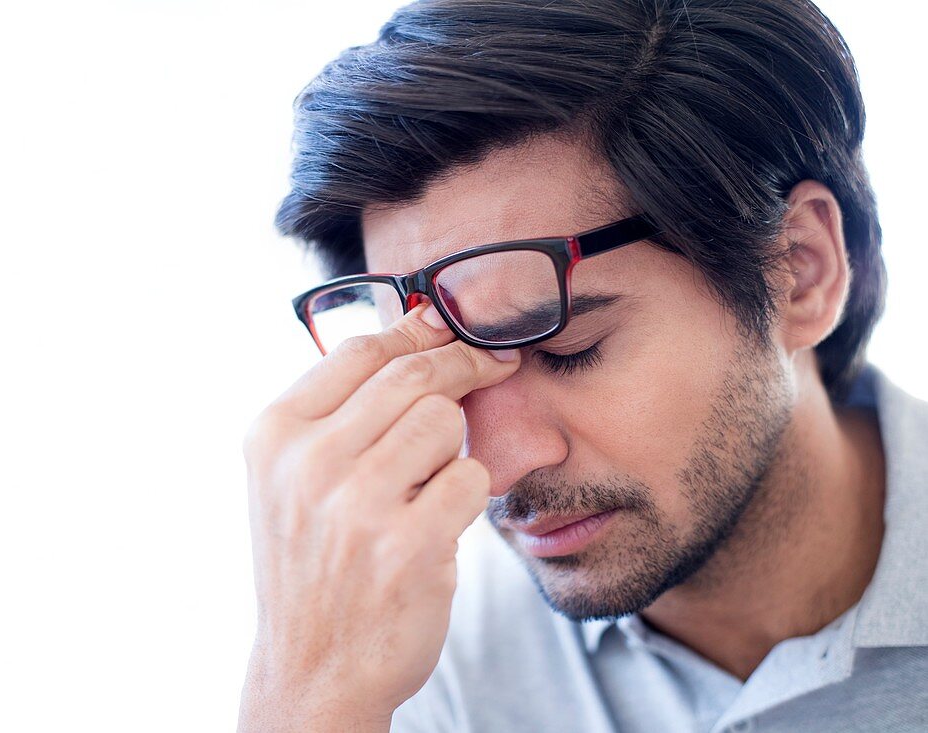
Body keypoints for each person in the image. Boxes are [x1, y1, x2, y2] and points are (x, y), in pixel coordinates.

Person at [239, 1, 928, 731]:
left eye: (566, 348)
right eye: (439, 374)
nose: (492, 472)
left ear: (799, 269)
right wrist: (306, 693)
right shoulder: (411, 673)